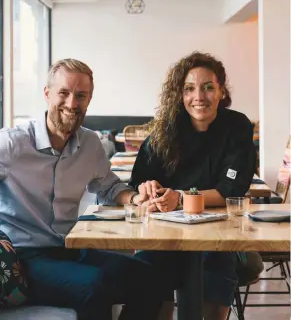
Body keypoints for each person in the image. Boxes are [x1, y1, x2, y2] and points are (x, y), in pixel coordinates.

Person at [0, 58, 169, 320]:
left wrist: (136, 197)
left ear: (89, 99)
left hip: (70, 249)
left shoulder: (90, 143)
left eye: (80, 95)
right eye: (64, 93)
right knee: (94, 285)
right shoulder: (12, 143)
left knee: (151, 278)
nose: (71, 103)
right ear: (47, 94)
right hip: (24, 258)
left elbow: (110, 187)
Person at [128, 51, 262, 320]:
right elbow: (138, 185)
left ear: (221, 91)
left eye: (208, 87)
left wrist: (179, 198)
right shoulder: (165, 130)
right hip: (166, 235)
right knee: (151, 263)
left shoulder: (237, 126)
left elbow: (230, 192)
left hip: (225, 236)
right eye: (189, 89)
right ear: (180, 94)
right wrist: (149, 189)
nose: (199, 97)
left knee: (216, 259)